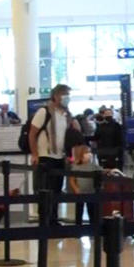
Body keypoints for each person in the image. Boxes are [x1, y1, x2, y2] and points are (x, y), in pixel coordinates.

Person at [29, 84, 79, 224]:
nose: (67, 98)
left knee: (57, 189)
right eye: (65, 95)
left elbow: (75, 133)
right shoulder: (44, 112)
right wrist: (35, 154)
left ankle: (53, 218)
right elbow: (32, 134)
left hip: (59, 157)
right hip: (45, 156)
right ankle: (44, 219)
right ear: (56, 96)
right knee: (45, 189)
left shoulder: (66, 115)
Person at [68, 144, 101, 225]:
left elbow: (102, 171)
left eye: (89, 152)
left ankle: (92, 227)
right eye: (87, 152)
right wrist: (76, 189)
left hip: (91, 192)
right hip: (80, 193)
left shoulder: (93, 166)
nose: (89, 154)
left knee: (92, 212)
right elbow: (72, 180)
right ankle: (78, 227)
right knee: (79, 211)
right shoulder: (76, 167)